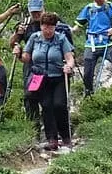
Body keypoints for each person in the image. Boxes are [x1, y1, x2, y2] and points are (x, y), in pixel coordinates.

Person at [21, 12, 77, 154]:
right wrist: (18, 53)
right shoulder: (34, 39)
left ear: (55, 27)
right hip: (40, 78)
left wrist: (69, 66)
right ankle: (51, 139)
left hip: (58, 76)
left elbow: (69, 57)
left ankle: (65, 137)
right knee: (46, 106)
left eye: (51, 28)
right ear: (41, 26)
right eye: (45, 27)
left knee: (59, 105)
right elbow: (26, 58)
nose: (48, 31)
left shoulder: (61, 39)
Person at [17, 0, 48, 132]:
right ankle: (33, 125)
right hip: (31, 66)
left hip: (48, 65)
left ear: (43, 9)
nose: (36, 15)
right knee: (30, 95)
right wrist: (18, 34)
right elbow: (13, 42)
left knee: (47, 95)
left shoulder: (51, 21)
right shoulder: (26, 24)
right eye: (33, 12)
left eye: (38, 12)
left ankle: (50, 126)